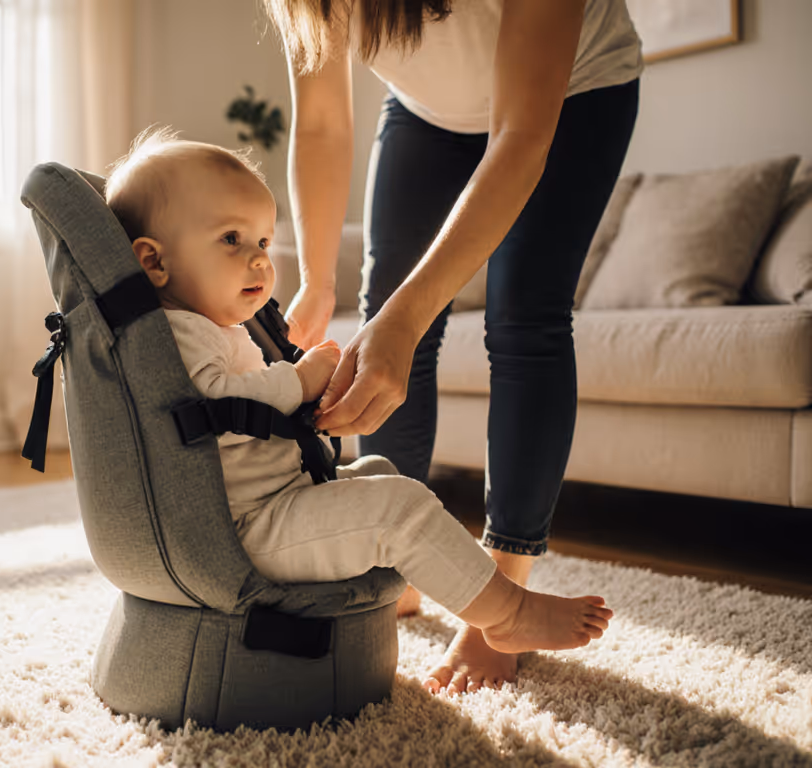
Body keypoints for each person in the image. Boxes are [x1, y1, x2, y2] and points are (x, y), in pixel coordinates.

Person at [103, 128, 613, 684]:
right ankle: (507, 615)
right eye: (231, 239)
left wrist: (306, 398)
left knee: (376, 474)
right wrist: (297, 382)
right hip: (247, 528)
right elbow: (209, 405)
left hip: (269, 503)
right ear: (154, 262)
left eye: (264, 243)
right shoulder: (176, 336)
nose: (258, 261)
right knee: (397, 510)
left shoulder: (208, 326)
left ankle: (427, 589)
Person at [261, 0, 642, 693]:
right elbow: (319, 123)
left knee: (524, 320)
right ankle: (395, 567)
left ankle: (503, 604)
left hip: (573, 94)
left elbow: (522, 136)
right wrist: (318, 280)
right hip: (426, 115)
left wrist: (404, 321)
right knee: (385, 313)